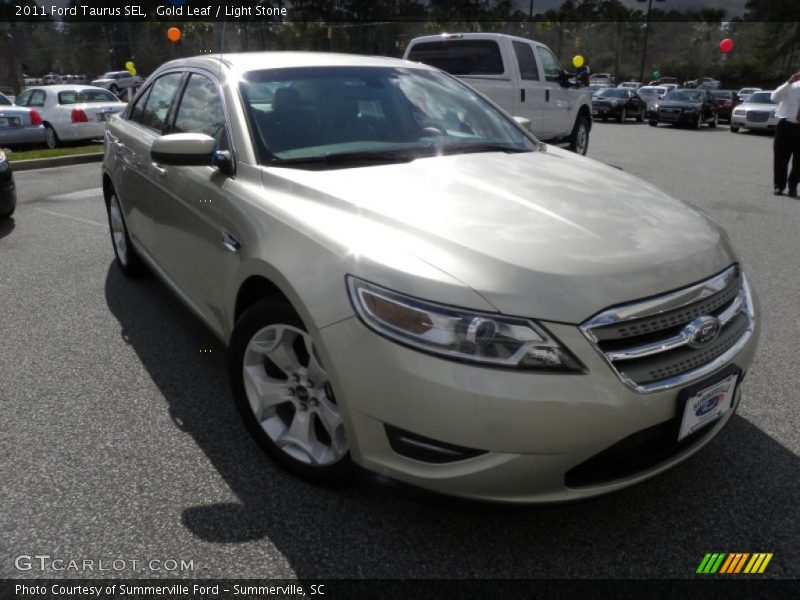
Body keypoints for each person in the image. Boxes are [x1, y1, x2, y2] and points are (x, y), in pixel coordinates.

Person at [770, 72, 800, 197]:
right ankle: (779, 186)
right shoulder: (791, 87)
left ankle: (792, 187)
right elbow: (774, 98)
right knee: (780, 159)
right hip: (786, 126)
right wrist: (788, 83)